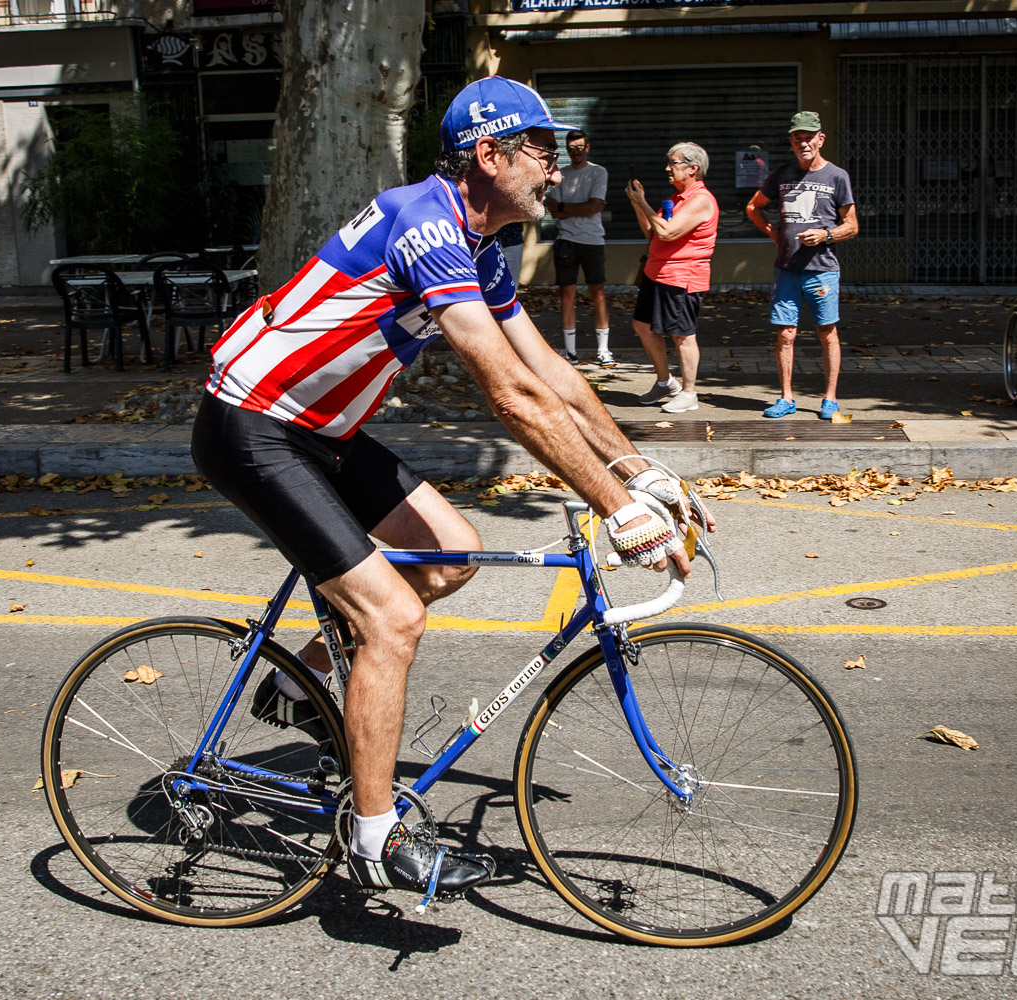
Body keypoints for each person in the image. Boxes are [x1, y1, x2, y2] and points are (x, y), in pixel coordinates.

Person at [191, 76, 707, 901]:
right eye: (540, 150)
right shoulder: (426, 224)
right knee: (392, 619)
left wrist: (641, 472)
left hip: (322, 430)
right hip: (254, 426)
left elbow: (550, 372)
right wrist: (616, 511)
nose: (554, 168)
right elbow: (511, 395)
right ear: (489, 155)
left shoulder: (479, 245)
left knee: (451, 554)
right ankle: (375, 838)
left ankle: (298, 686)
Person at [744, 111, 857, 420]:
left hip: (822, 268)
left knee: (827, 332)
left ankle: (830, 399)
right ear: (791, 142)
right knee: (785, 334)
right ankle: (786, 398)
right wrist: (774, 234)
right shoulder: (782, 174)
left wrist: (825, 235)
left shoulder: (837, 176)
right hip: (787, 267)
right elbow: (753, 207)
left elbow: (852, 225)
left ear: (821, 139)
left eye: (809, 137)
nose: (803, 143)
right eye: (797, 138)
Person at [625, 142, 718, 413]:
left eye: (673, 163)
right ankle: (665, 382)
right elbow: (652, 232)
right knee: (643, 326)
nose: (667, 168)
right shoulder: (678, 198)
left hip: (682, 276)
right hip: (656, 273)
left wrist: (643, 202)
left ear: (692, 169)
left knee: (682, 335)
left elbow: (666, 233)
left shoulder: (701, 199)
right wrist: (637, 203)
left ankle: (689, 394)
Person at [544, 130, 613, 367]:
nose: (576, 152)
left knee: (598, 293)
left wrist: (565, 207)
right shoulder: (560, 175)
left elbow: (593, 207)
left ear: (587, 148)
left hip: (593, 240)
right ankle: (570, 351)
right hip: (566, 240)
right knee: (567, 295)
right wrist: (579, 208)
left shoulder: (598, 172)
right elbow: (553, 211)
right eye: (572, 148)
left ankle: (603, 350)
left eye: (580, 147)